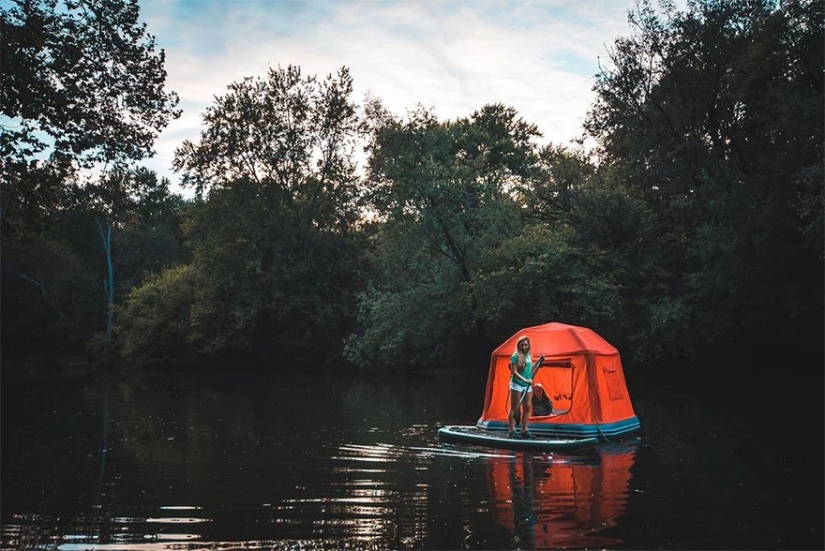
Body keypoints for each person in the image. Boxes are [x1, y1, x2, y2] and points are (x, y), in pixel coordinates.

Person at [508, 335, 535, 439]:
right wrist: (525, 380)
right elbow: (514, 372)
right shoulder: (515, 356)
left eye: (525, 345)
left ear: (528, 346)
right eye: (522, 345)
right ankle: (512, 431)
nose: (524, 347)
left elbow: (529, 368)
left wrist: (538, 362)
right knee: (514, 408)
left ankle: (524, 430)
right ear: (519, 346)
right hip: (517, 384)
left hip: (527, 385)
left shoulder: (528, 355)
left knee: (527, 407)